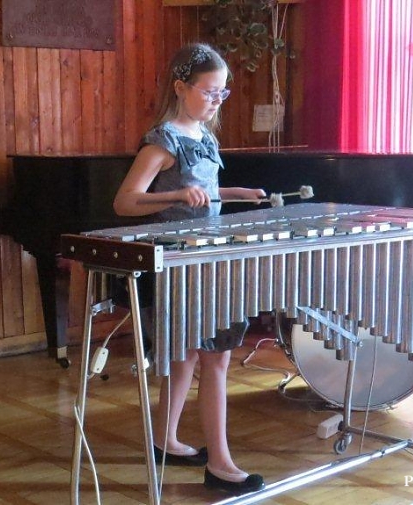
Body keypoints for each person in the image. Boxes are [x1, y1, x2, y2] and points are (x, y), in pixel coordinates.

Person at [112, 42, 266, 496]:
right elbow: (124, 202)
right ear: (181, 88)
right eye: (209, 92)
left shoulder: (205, 137)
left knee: (186, 359)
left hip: (208, 257)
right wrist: (175, 195)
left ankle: (165, 439)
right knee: (216, 360)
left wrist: (236, 194)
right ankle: (220, 463)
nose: (217, 101)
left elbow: (206, 194)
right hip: (178, 264)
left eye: (222, 94)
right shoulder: (163, 140)